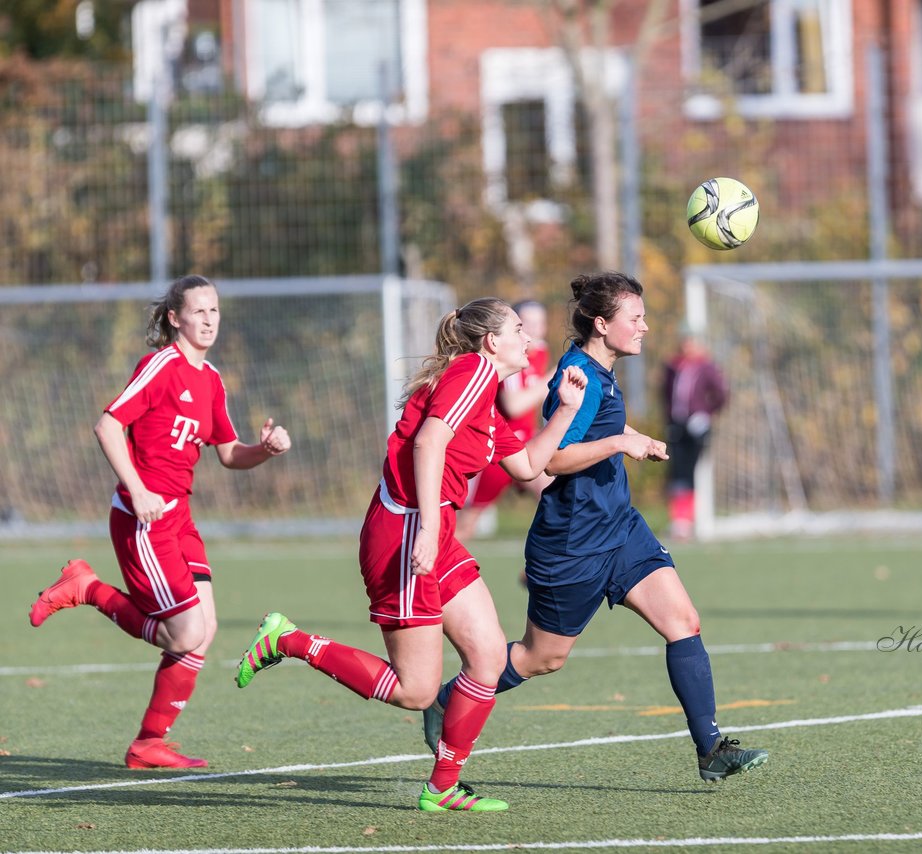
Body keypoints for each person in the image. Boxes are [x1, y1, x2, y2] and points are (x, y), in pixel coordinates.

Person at [233, 298, 586, 812]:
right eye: (517, 328)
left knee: (488, 659)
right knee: (416, 692)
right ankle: (288, 640)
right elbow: (428, 443)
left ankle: (442, 787)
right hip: (403, 529)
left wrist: (568, 411)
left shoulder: (485, 394)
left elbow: (530, 465)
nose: (528, 338)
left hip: (431, 530)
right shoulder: (473, 371)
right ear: (491, 341)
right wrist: (425, 525)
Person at [423, 272, 769, 784]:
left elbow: (603, 428)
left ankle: (710, 748)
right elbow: (553, 460)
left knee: (684, 623)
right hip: (571, 544)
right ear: (603, 325)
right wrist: (619, 445)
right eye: (636, 319)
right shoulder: (578, 376)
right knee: (542, 658)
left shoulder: (603, 372)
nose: (646, 327)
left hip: (621, 529)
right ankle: (448, 699)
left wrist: (637, 438)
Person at [28, 274, 292, 769]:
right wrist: (138, 488)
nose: (209, 320)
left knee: (204, 630)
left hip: (179, 518)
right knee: (184, 635)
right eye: (199, 311)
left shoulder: (211, 379)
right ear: (175, 318)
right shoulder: (161, 366)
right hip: (142, 518)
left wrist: (266, 450)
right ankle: (87, 587)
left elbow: (230, 455)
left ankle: (149, 743)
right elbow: (108, 425)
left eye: (215, 310)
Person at [455, 300, 556, 543]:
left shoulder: (540, 352)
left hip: (524, 446)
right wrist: (552, 378)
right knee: (465, 527)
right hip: (497, 452)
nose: (533, 330)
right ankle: (429, 569)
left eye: (538, 323)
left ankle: (544, 568)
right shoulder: (510, 359)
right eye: (525, 324)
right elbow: (514, 405)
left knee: (557, 501)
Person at [663, 328, 728, 540]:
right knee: (677, 472)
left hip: (697, 427)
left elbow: (721, 394)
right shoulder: (674, 366)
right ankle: (679, 520)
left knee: (689, 471)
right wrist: (670, 418)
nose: (687, 346)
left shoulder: (706, 367)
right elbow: (665, 394)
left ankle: (686, 520)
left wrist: (705, 414)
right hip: (677, 426)